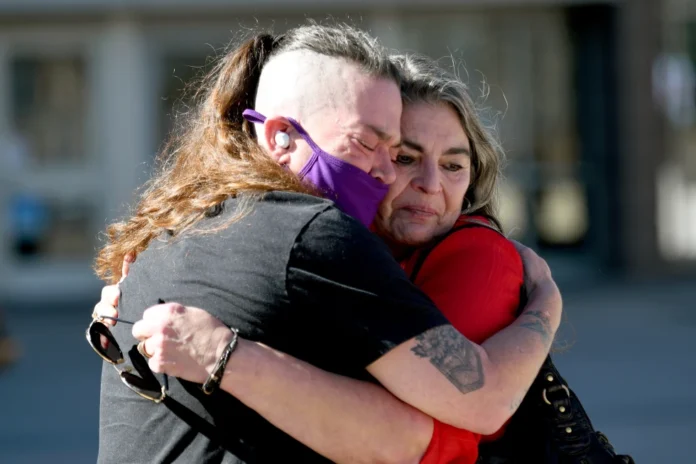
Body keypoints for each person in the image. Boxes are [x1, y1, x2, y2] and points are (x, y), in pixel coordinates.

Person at [93, 25, 561, 464]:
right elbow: (447, 421)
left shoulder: (181, 224)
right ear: (280, 136)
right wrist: (546, 302)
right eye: (375, 146)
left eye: (452, 165)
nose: (387, 172)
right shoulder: (316, 233)